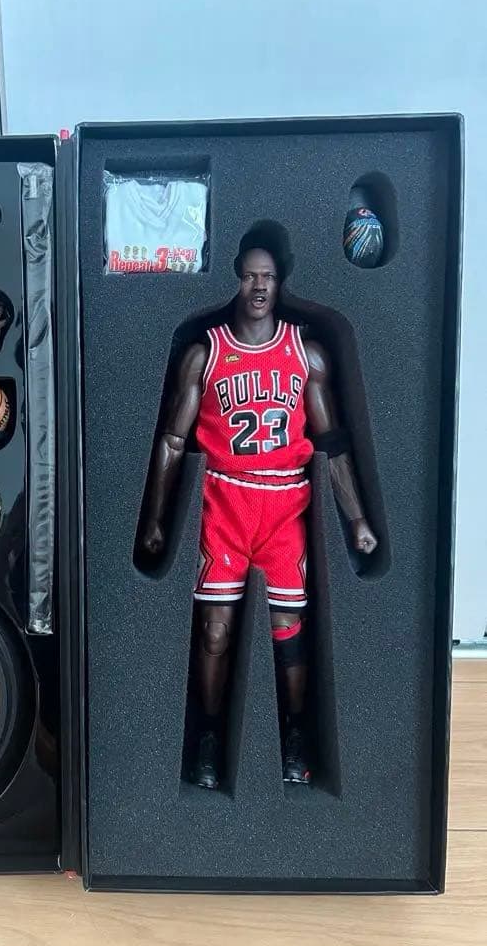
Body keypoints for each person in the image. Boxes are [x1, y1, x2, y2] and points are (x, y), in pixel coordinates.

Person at [140, 228, 377, 787]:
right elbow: (172, 441)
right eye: (249, 276)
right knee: (214, 631)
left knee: (287, 629)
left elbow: (332, 442)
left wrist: (357, 518)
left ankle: (293, 735)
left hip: (285, 504)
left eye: (267, 276)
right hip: (224, 499)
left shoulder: (304, 353)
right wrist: (155, 516)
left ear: (281, 280)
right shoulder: (206, 353)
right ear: (235, 279)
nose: (259, 286)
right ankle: (209, 736)